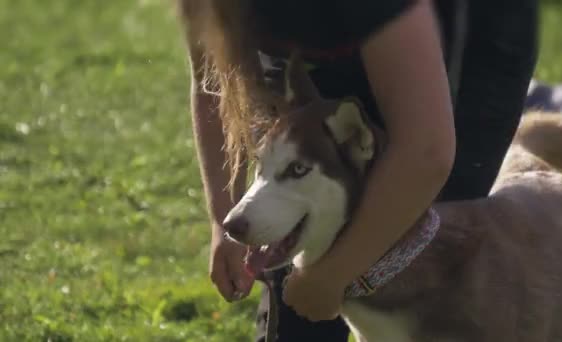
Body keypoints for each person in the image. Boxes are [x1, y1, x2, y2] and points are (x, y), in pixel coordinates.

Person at [176, 0, 538, 340]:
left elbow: (426, 151)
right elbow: (215, 80)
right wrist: (224, 218)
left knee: (427, 262)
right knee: (301, 292)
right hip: (340, 34)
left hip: (464, 30)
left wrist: (330, 277)